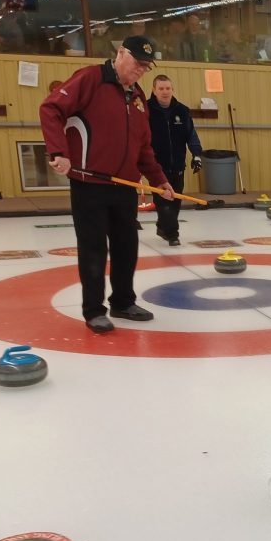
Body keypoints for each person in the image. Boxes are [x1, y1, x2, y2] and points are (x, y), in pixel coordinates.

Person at [39, 36, 175, 334]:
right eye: (137, 62)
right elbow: (50, 109)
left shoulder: (138, 97)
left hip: (124, 184)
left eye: (145, 66)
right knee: (94, 248)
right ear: (121, 53)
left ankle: (123, 302)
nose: (141, 69)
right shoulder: (90, 79)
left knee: (127, 246)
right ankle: (94, 310)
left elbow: (144, 148)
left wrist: (160, 180)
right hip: (89, 183)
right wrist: (58, 151)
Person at [147, 74, 203, 246]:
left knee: (175, 200)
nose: (165, 92)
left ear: (172, 90)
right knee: (163, 201)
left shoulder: (182, 111)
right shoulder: (146, 111)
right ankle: (173, 234)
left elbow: (191, 135)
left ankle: (162, 226)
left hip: (178, 165)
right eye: (161, 89)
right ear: (154, 91)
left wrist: (197, 154)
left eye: (168, 88)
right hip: (156, 167)